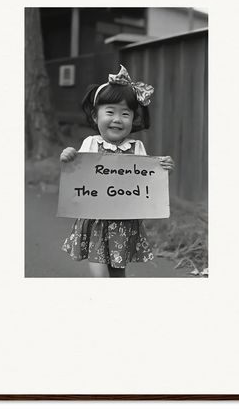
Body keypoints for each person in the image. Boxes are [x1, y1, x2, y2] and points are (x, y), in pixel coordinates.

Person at [60, 65, 174, 278]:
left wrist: (164, 169)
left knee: (118, 268)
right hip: (95, 217)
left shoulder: (136, 148)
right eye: (110, 112)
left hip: (124, 219)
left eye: (125, 114)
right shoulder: (91, 143)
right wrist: (68, 156)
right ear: (95, 116)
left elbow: (147, 180)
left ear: (133, 118)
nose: (117, 119)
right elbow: (77, 170)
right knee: (99, 268)